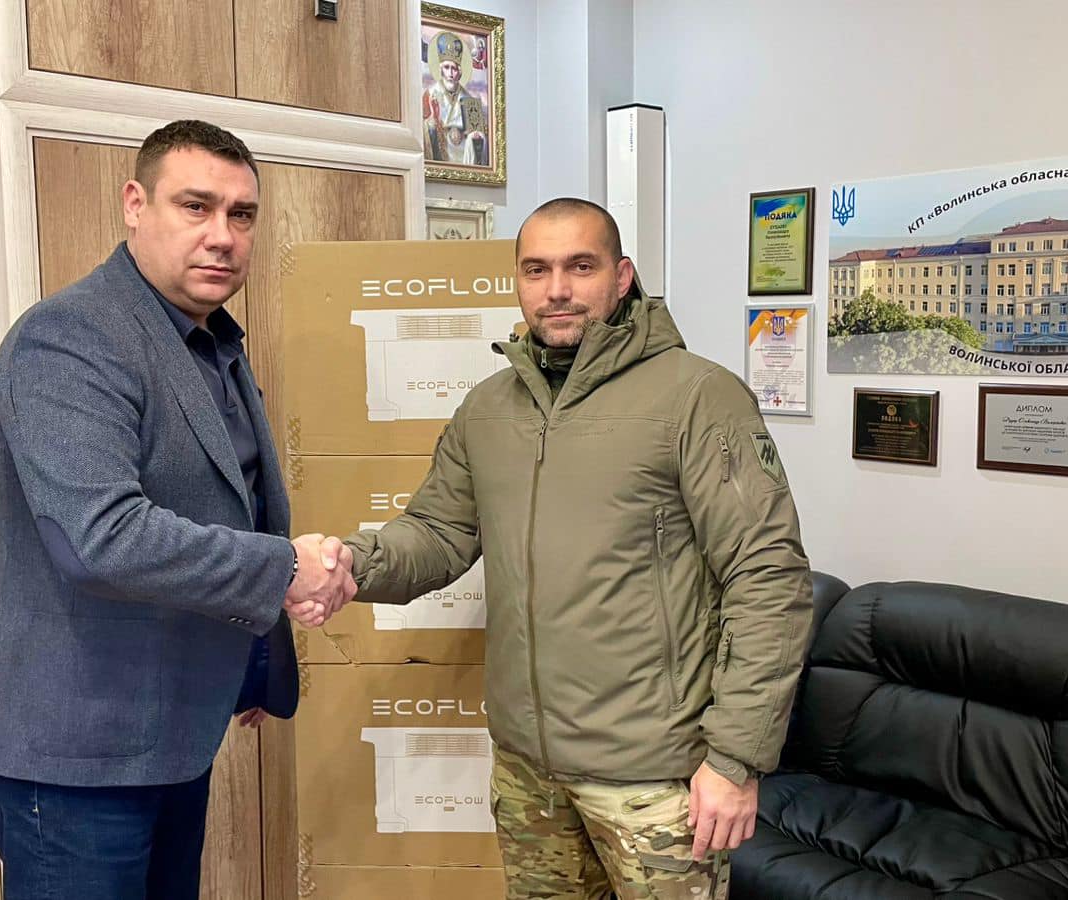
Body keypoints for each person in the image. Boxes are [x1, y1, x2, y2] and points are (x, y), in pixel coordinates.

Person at [293, 198, 811, 899]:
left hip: (655, 778)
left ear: (622, 277)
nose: (557, 289)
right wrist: (351, 563)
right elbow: (438, 534)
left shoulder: (697, 397)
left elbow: (768, 578)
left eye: (580, 267)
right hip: (527, 772)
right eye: (536, 269)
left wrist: (735, 758)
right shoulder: (488, 408)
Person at [0, 120, 354, 899]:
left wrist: (253, 661)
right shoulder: (69, 337)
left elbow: (230, 507)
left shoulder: (210, 340)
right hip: (74, 748)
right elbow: (102, 538)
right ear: (135, 204)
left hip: (168, 728)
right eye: (195, 206)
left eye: (241, 214)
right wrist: (287, 570)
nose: (222, 235)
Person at [423, 29, 488, 166]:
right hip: (441, 154)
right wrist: (433, 121)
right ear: (440, 69)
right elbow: (422, 130)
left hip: (464, 157)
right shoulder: (430, 95)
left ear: (460, 71)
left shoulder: (469, 100)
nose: (451, 73)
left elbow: (480, 135)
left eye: (454, 68)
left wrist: (476, 136)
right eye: (447, 68)